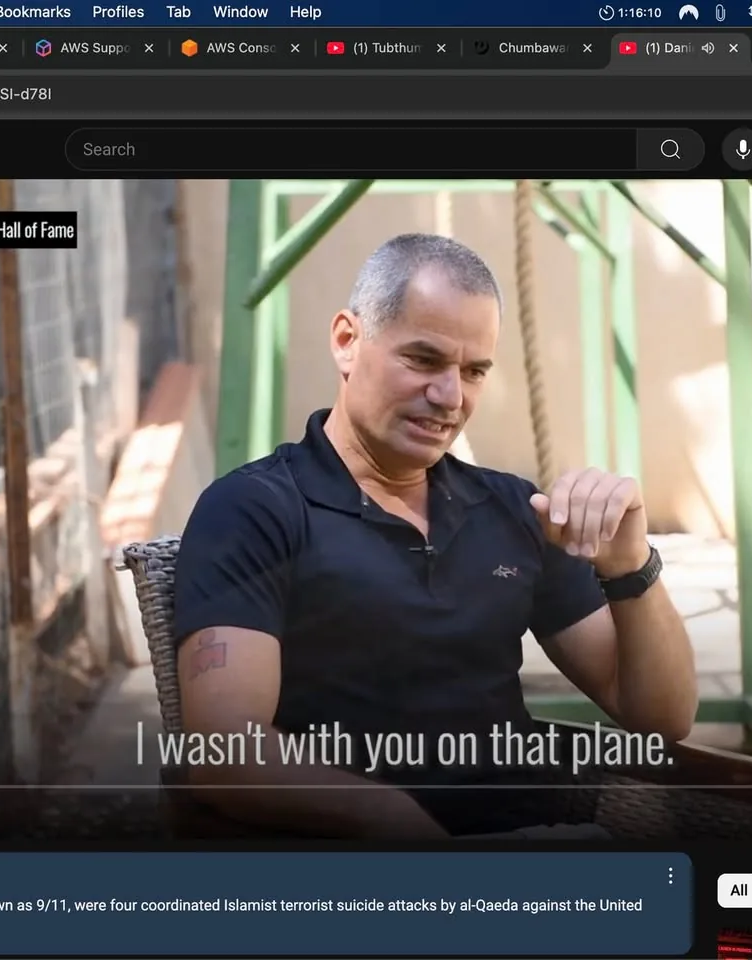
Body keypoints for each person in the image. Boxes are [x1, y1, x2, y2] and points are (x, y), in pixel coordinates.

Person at [171, 233, 697, 838]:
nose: (450, 397)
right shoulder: (254, 509)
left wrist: (631, 565)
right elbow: (227, 757)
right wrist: (404, 825)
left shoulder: (510, 508)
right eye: (423, 360)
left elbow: (663, 719)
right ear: (348, 341)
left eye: (473, 371)